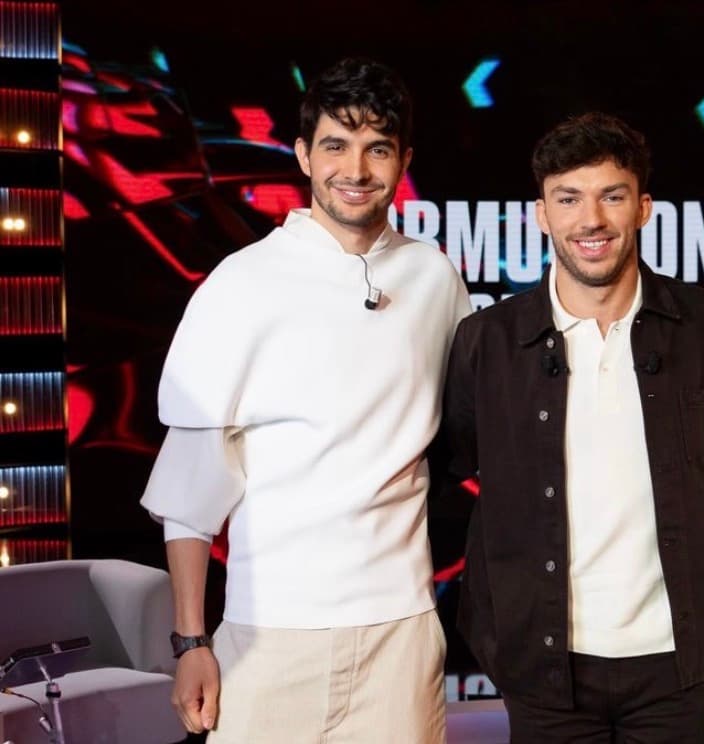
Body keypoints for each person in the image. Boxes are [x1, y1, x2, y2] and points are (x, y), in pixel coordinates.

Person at [141, 57, 470, 743]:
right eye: (336, 145)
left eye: (378, 148)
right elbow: (190, 488)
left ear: (403, 159)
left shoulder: (436, 278)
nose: (356, 169)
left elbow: (471, 430)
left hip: (401, 635)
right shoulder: (242, 282)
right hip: (270, 635)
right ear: (302, 155)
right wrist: (189, 640)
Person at [440, 112, 704, 742]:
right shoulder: (488, 341)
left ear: (643, 208)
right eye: (569, 199)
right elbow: (444, 481)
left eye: (612, 196)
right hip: (543, 670)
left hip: (677, 666)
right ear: (541, 213)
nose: (592, 220)